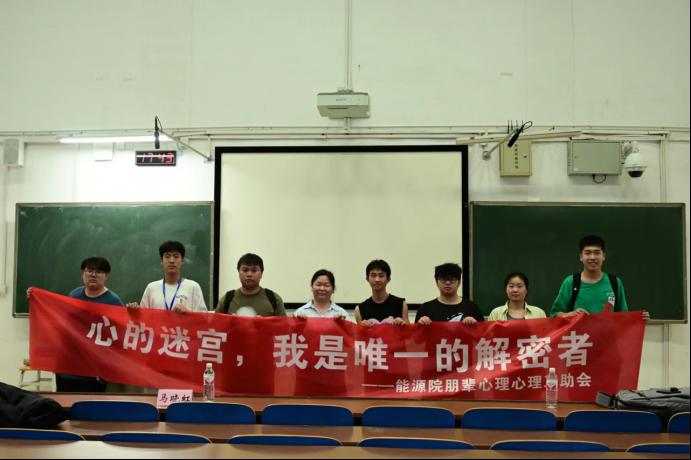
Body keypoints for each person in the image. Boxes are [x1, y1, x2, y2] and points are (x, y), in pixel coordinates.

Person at [28, 256, 124, 392]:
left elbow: (119, 338)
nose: (93, 275)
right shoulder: (74, 295)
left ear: (106, 275)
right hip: (67, 369)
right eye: (89, 271)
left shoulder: (113, 302)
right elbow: (62, 324)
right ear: (82, 274)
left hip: (94, 374)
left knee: (88, 405)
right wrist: (35, 298)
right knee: (65, 403)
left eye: (99, 271)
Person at [550, 234, 649, 320]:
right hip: (580, 336)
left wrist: (638, 318)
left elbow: (624, 317)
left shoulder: (614, 282)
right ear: (581, 257)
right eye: (587, 253)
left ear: (604, 256)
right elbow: (554, 314)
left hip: (608, 336)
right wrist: (569, 314)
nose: (592, 257)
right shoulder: (570, 282)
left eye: (597, 253)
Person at [128, 240, 207, 312]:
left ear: (182, 261)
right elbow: (143, 317)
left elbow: (204, 319)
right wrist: (134, 311)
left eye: (176, 256)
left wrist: (188, 313)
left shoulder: (193, 287)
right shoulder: (151, 288)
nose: (171, 261)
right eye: (167, 256)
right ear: (161, 261)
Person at [215, 253, 286, 316]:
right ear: (238, 272)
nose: (249, 274)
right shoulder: (227, 299)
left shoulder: (274, 299)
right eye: (245, 270)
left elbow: (283, 325)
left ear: (261, 274)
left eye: (254, 270)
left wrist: (263, 323)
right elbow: (216, 324)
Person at [416, 263, 484, 324]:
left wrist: (474, 324)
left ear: (459, 282)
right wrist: (421, 324)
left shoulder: (472, 308)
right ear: (436, 282)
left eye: (452, 279)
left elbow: (483, 331)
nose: (448, 282)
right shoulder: (425, 309)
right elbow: (416, 333)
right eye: (443, 279)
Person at [355, 259, 409, 326]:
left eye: (381, 275)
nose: (377, 279)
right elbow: (358, 332)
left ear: (388, 279)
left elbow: (409, 331)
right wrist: (361, 328)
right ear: (367, 279)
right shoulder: (360, 309)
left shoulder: (401, 304)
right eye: (373, 275)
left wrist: (403, 325)